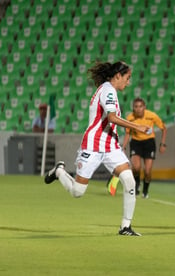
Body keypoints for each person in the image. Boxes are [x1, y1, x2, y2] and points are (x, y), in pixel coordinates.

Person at [44, 61, 149, 236]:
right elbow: (112, 118)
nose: (128, 82)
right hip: (93, 145)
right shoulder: (107, 90)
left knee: (129, 180)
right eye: (127, 78)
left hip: (110, 145)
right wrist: (137, 127)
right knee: (78, 192)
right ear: (118, 76)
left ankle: (125, 227)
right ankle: (59, 171)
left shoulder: (110, 90)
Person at [122, 97, 167, 198]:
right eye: (136, 107)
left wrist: (163, 144)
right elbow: (127, 133)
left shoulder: (151, 116)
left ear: (144, 107)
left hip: (149, 143)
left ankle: (145, 190)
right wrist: (123, 147)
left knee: (147, 171)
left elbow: (164, 128)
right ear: (133, 108)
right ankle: (137, 184)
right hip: (136, 142)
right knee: (136, 168)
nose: (138, 109)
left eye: (140, 106)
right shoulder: (130, 118)